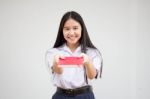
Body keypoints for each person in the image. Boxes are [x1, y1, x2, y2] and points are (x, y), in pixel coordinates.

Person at [45, 11, 103, 99]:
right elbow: (59, 71)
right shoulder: (53, 52)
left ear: (82, 29)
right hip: (61, 96)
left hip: (85, 96)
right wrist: (56, 62)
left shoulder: (92, 52)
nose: (71, 33)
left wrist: (87, 61)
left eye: (75, 28)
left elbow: (91, 76)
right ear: (62, 31)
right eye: (67, 29)